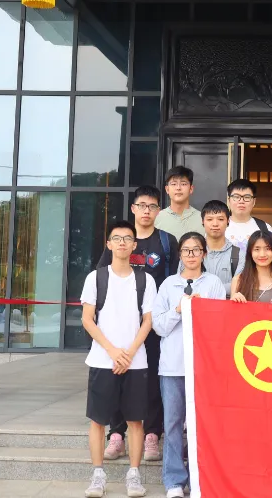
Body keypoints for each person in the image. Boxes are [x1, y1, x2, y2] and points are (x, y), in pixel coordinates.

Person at [81, 220, 155, 498]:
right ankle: (98, 475)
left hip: (136, 361)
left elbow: (148, 321)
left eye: (127, 238)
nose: (122, 242)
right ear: (109, 244)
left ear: (135, 245)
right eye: (117, 238)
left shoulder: (145, 280)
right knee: (98, 420)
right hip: (103, 360)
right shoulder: (95, 278)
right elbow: (87, 319)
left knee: (136, 421)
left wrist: (129, 353)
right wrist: (113, 351)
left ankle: (134, 475)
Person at [104, 186, 178, 463]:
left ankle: (152, 434)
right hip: (121, 323)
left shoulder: (167, 241)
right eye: (142, 205)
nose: (147, 211)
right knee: (118, 375)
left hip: (154, 324)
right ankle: (116, 434)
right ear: (133, 208)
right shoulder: (121, 239)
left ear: (159, 210)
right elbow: (103, 276)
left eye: (152, 206)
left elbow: (175, 281)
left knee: (153, 379)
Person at [153, 232, 226, 498]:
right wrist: (178, 310)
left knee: (203, 426)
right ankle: (174, 481)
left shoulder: (213, 283)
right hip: (173, 366)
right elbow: (158, 326)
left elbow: (220, 324)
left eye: (196, 250)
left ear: (204, 254)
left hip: (203, 368)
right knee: (172, 424)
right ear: (180, 255)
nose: (191, 255)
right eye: (186, 250)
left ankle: (200, 479)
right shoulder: (168, 285)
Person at [185, 200, 243, 296]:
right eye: (209, 219)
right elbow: (182, 282)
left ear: (228, 221)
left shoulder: (239, 254)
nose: (215, 224)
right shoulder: (190, 252)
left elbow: (241, 285)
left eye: (220, 219)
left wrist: (204, 289)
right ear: (202, 221)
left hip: (226, 305)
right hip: (197, 304)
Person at [230, 231, 272, 304]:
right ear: (250, 253)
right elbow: (231, 310)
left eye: (267, 248)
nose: (262, 254)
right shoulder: (238, 281)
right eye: (257, 249)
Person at [225, 179, 272, 251]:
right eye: (236, 197)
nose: (241, 201)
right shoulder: (218, 227)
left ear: (254, 202)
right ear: (229, 200)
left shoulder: (265, 228)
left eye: (247, 197)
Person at [154, 167, 204, 240]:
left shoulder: (202, 219)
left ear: (191, 189)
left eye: (183, 184)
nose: (178, 188)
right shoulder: (156, 218)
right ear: (167, 189)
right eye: (174, 184)